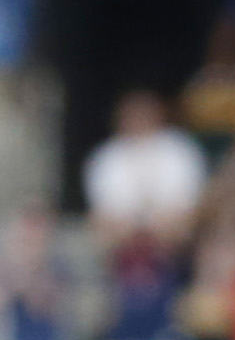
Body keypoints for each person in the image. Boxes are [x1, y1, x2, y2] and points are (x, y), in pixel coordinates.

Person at [82, 90, 205, 238]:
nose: (138, 119)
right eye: (132, 114)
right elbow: (104, 206)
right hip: (122, 227)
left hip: (171, 225)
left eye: (144, 113)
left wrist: (158, 220)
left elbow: (188, 199)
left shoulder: (180, 147)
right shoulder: (106, 155)